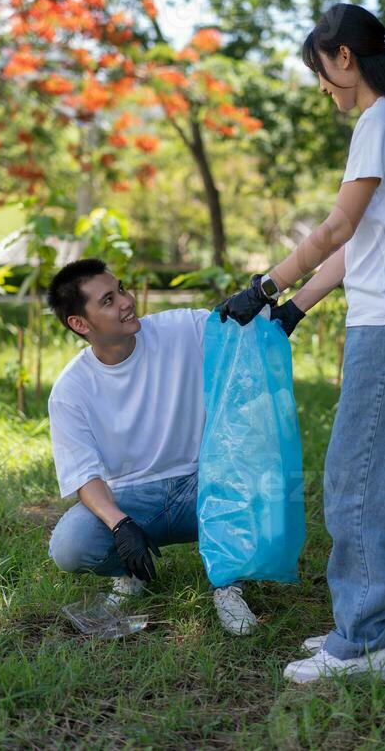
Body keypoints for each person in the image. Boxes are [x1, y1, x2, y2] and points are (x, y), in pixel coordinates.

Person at [217, 3, 385, 683]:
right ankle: (382, 621)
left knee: (357, 480)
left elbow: (336, 231)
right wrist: (293, 308)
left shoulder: (379, 121)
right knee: (379, 476)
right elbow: (363, 246)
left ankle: (366, 644)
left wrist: (263, 287)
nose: (322, 86)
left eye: (320, 71)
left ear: (343, 57)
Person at [45, 258, 296, 636]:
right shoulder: (71, 390)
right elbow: (83, 476)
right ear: (80, 324)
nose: (126, 302)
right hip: (134, 500)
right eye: (108, 301)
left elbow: (232, 322)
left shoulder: (178, 329)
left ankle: (228, 584)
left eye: (122, 290)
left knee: (263, 480)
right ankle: (130, 573)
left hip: (203, 484)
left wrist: (264, 293)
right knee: (69, 544)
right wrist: (120, 524)